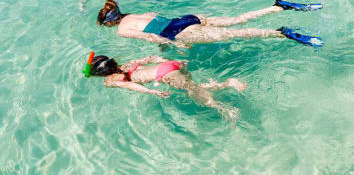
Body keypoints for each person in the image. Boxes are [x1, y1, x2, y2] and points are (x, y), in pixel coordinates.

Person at [96, 0, 324, 48]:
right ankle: (277, 7)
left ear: (109, 24)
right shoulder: (138, 13)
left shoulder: (123, 30)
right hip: (188, 18)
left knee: (240, 33)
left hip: (181, 32)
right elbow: (156, 17)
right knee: (238, 19)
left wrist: (174, 45)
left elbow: (151, 36)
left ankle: (281, 33)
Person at [86, 54, 246, 121]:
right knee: (194, 87)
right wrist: (171, 60)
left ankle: (225, 108)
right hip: (168, 65)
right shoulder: (125, 65)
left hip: (165, 74)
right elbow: (149, 58)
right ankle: (227, 84)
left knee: (197, 96)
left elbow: (132, 86)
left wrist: (151, 91)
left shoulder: (109, 81)